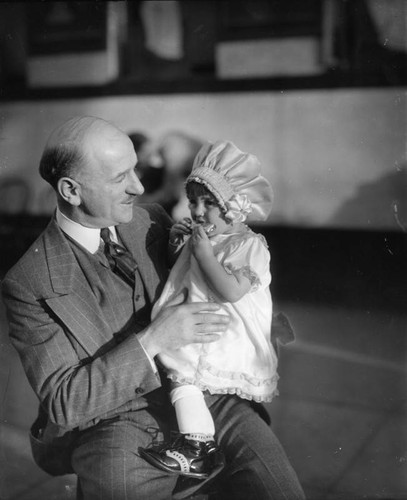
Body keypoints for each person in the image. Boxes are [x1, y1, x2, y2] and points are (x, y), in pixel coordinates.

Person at [1, 116, 305, 500]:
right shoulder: (30, 281)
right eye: (119, 178)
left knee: (280, 490)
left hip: (210, 398)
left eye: (136, 170)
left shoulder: (152, 220)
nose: (139, 186)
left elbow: (216, 281)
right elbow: (66, 402)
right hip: (115, 425)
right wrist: (154, 339)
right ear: (71, 190)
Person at [139, 140, 279, 478]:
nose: (198, 212)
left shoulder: (249, 246)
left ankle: (197, 445)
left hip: (223, 333)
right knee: (180, 376)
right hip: (197, 322)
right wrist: (177, 244)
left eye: (209, 204)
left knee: (181, 374)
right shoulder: (204, 239)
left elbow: (230, 290)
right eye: (193, 202)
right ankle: (199, 441)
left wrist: (202, 253)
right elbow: (181, 273)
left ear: (234, 206)